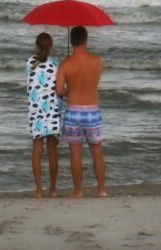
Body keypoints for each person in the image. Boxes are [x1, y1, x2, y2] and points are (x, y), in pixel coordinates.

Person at [56, 25, 107, 198]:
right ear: (86, 40)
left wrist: (71, 90)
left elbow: (59, 90)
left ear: (71, 41)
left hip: (73, 112)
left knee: (76, 152)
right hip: (92, 110)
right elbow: (94, 82)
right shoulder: (97, 61)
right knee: (97, 152)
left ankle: (78, 191)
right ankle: (101, 190)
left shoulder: (65, 64)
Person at [26, 32, 62, 198]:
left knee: (37, 150)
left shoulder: (30, 63)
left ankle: (39, 190)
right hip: (53, 109)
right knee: (52, 151)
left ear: (37, 45)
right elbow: (60, 89)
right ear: (51, 46)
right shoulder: (55, 64)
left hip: (35, 109)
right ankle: (53, 189)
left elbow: (30, 85)